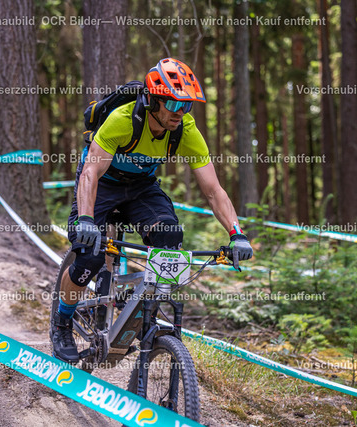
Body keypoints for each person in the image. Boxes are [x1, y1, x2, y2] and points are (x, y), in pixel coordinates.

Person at [50, 58, 253, 363]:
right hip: (102, 182)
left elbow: (214, 190)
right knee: (89, 257)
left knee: (169, 237)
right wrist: (87, 221)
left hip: (140, 187)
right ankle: (62, 322)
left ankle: (139, 312)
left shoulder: (184, 130)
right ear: (152, 100)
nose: (180, 112)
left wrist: (236, 234)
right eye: (173, 104)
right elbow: (91, 173)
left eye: (186, 105)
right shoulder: (123, 120)